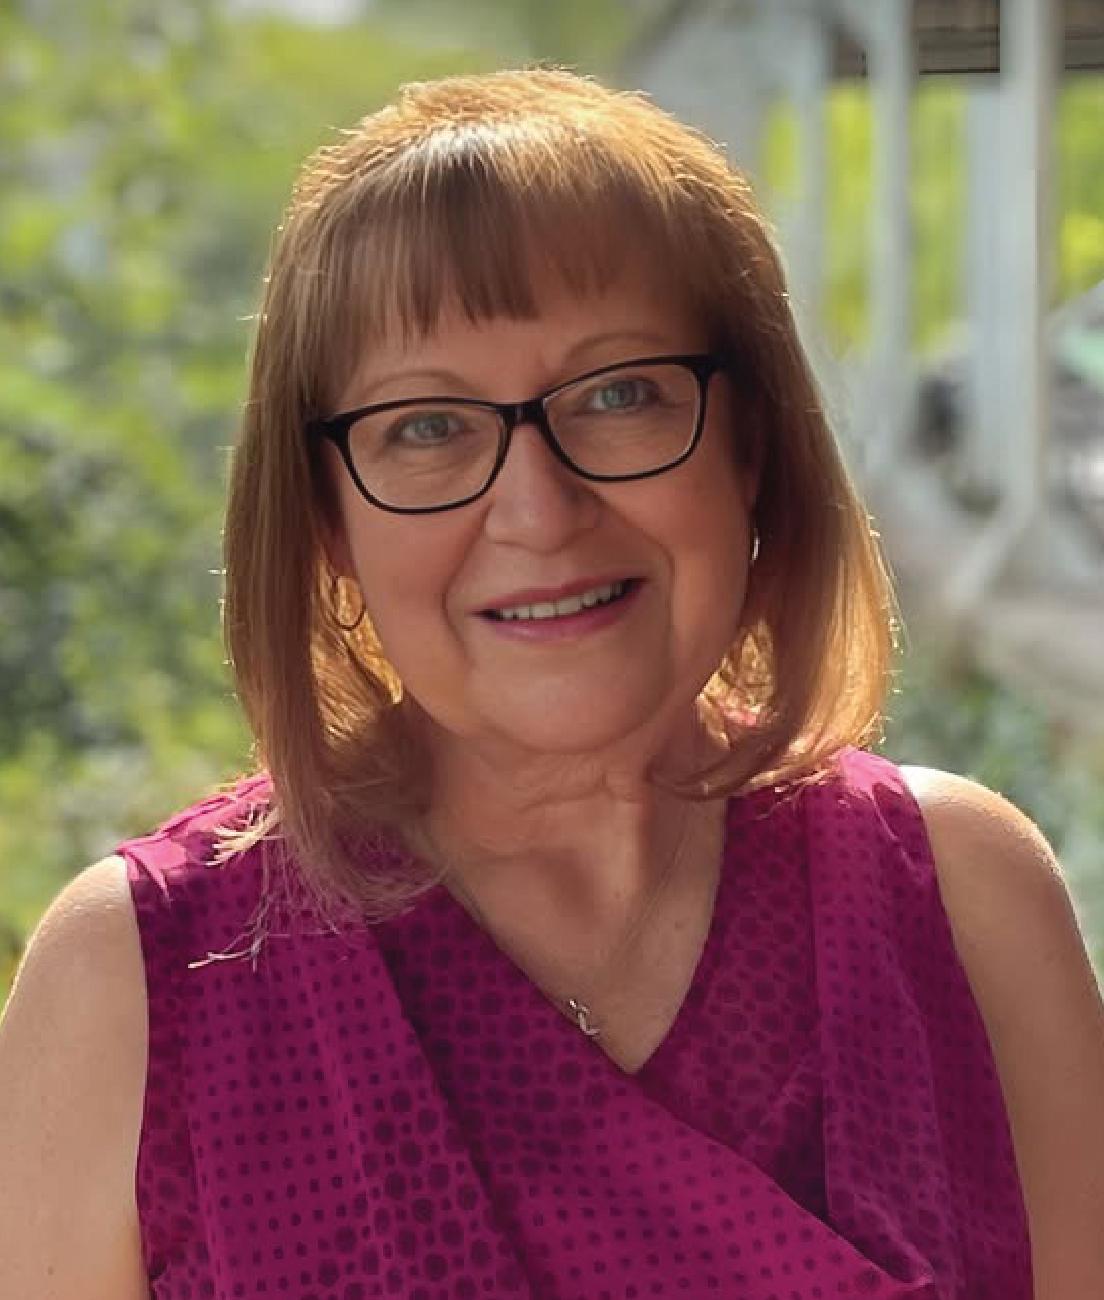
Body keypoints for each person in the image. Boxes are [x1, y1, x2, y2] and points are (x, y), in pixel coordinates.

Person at [1, 67, 1102, 1300]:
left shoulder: (958, 900)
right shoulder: (137, 982)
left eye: (619, 394)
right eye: (426, 426)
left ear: (753, 443)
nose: (538, 507)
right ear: (325, 522)